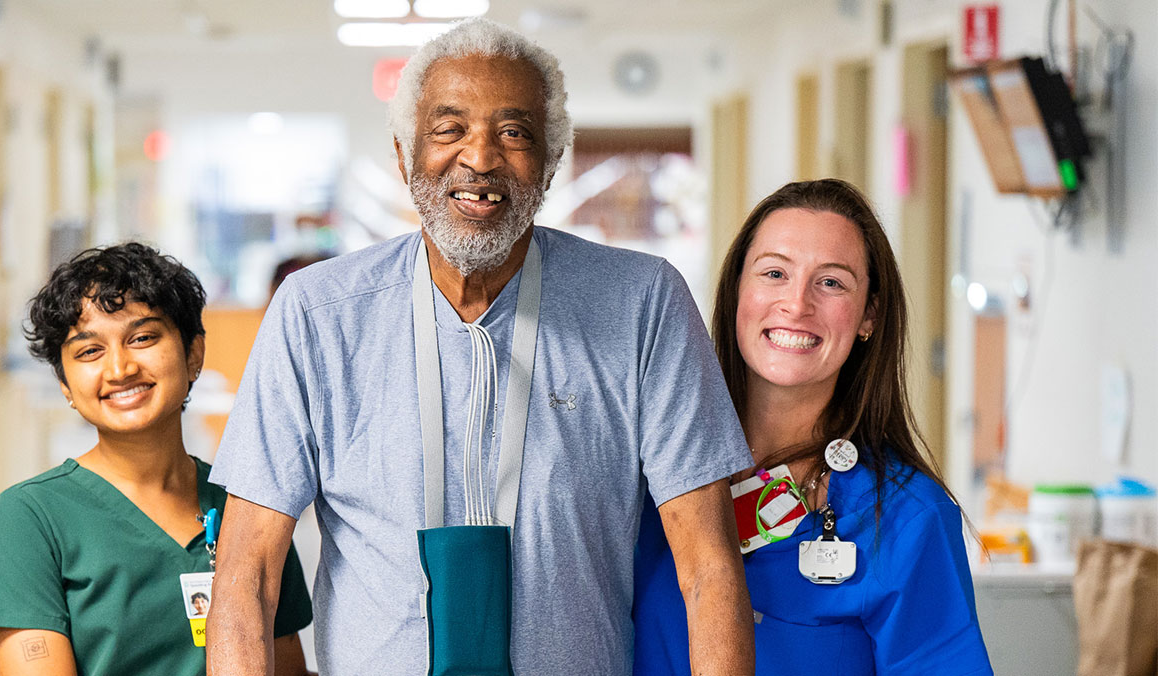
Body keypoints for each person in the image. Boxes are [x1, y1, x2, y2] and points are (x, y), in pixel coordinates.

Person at [206, 18, 756, 676]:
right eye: (449, 128)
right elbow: (247, 577)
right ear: (405, 157)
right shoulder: (317, 315)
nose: (481, 157)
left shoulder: (642, 304)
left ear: (550, 164)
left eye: (514, 132)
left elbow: (709, 570)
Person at [633, 179, 994, 675]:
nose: (797, 304)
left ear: (868, 315)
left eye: (831, 282)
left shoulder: (908, 517)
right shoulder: (647, 472)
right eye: (775, 273)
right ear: (738, 289)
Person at [0, 243, 314, 676]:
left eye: (142, 338)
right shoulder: (32, 517)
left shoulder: (248, 503)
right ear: (65, 384)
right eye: (89, 351)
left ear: (193, 354)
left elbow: (285, 668)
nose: (119, 369)